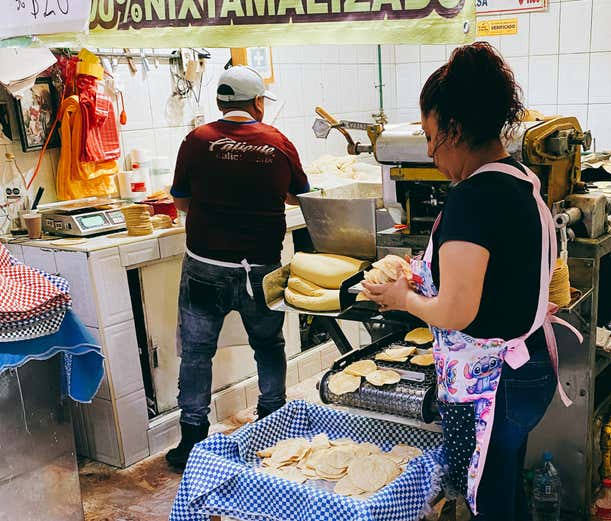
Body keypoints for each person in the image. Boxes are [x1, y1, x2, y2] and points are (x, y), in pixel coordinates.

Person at [363, 43, 578, 520]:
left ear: (454, 129)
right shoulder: (520, 179)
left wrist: (404, 299)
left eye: (429, 134)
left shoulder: (473, 199)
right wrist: (420, 273)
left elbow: (456, 312)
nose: (428, 150)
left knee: (490, 503)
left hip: (492, 382)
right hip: (528, 368)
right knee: (503, 486)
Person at [166, 66, 310, 470]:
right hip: (261, 269)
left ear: (220, 103)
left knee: (196, 353)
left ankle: (192, 440)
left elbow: (181, 202)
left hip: (204, 269)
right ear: (258, 104)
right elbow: (301, 198)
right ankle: (274, 423)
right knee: (268, 345)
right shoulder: (277, 142)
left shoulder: (196, 141)